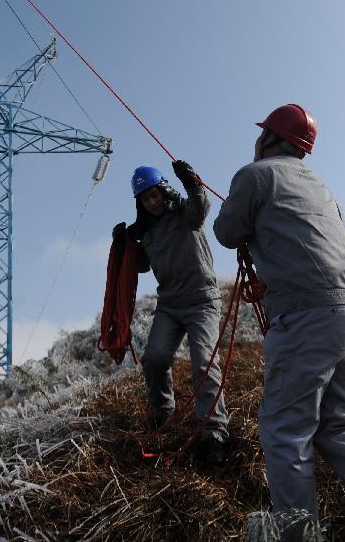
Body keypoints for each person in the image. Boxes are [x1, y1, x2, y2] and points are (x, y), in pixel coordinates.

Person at [213, 104, 345, 516]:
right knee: (342, 428)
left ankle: (298, 532)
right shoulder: (322, 187)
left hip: (310, 316)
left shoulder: (255, 174)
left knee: (286, 431)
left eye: (261, 134)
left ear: (270, 139)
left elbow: (226, 233)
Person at [114, 160, 229, 465]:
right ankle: (164, 413)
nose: (151, 202)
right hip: (169, 305)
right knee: (154, 357)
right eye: (145, 198)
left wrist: (191, 182)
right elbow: (139, 266)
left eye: (154, 194)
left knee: (203, 363)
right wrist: (123, 245)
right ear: (140, 202)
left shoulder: (186, 215)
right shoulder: (146, 233)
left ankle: (214, 430)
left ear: (164, 191)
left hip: (201, 300)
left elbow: (202, 206)